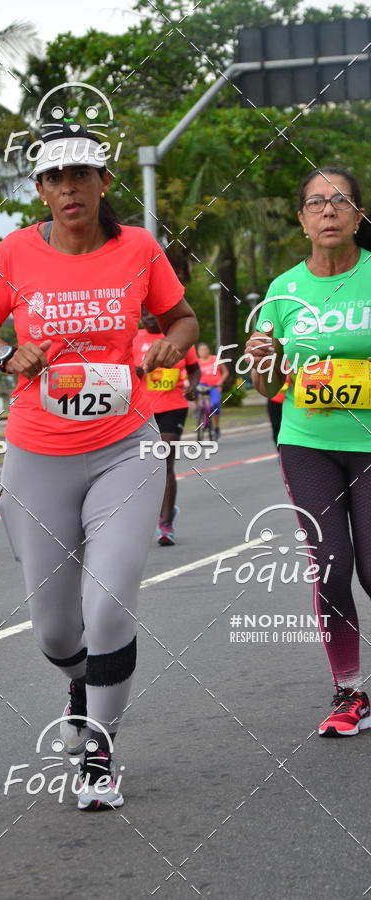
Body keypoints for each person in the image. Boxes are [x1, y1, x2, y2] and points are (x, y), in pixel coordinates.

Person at [0, 124, 198, 809]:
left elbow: (181, 317)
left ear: (104, 184)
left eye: (81, 175)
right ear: (40, 190)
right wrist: (7, 356)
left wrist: (165, 347)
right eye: (55, 178)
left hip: (126, 448)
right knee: (57, 630)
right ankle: (80, 681)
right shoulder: (15, 252)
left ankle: (100, 749)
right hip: (38, 456)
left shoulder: (137, 248)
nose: (69, 188)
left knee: (110, 606)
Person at [246, 166, 371, 738]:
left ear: (358, 214)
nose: (328, 211)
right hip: (308, 441)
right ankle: (350, 692)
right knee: (332, 566)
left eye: (340, 201)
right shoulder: (284, 290)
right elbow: (266, 384)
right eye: (316, 203)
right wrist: (263, 356)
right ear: (301, 219)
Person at [133, 311, 200, 545]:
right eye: (144, 314)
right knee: (143, 467)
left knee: (164, 462)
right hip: (141, 410)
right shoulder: (133, 339)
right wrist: (137, 371)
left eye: (153, 314)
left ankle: (165, 524)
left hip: (173, 407)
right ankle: (156, 514)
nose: (149, 318)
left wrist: (193, 386)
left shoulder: (177, 338)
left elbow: (194, 368)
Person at [196, 342, 228, 438]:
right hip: (202, 386)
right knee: (192, 391)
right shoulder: (197, 362)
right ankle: (199, 408)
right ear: (198, 352)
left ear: (208, 350)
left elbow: (225, 372)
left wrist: (220, 383)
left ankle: (216, 426)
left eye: (205, 349)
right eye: (201, 350)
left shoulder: (215, 359)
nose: (203, 352)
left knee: (215, 404)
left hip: (215, 387)